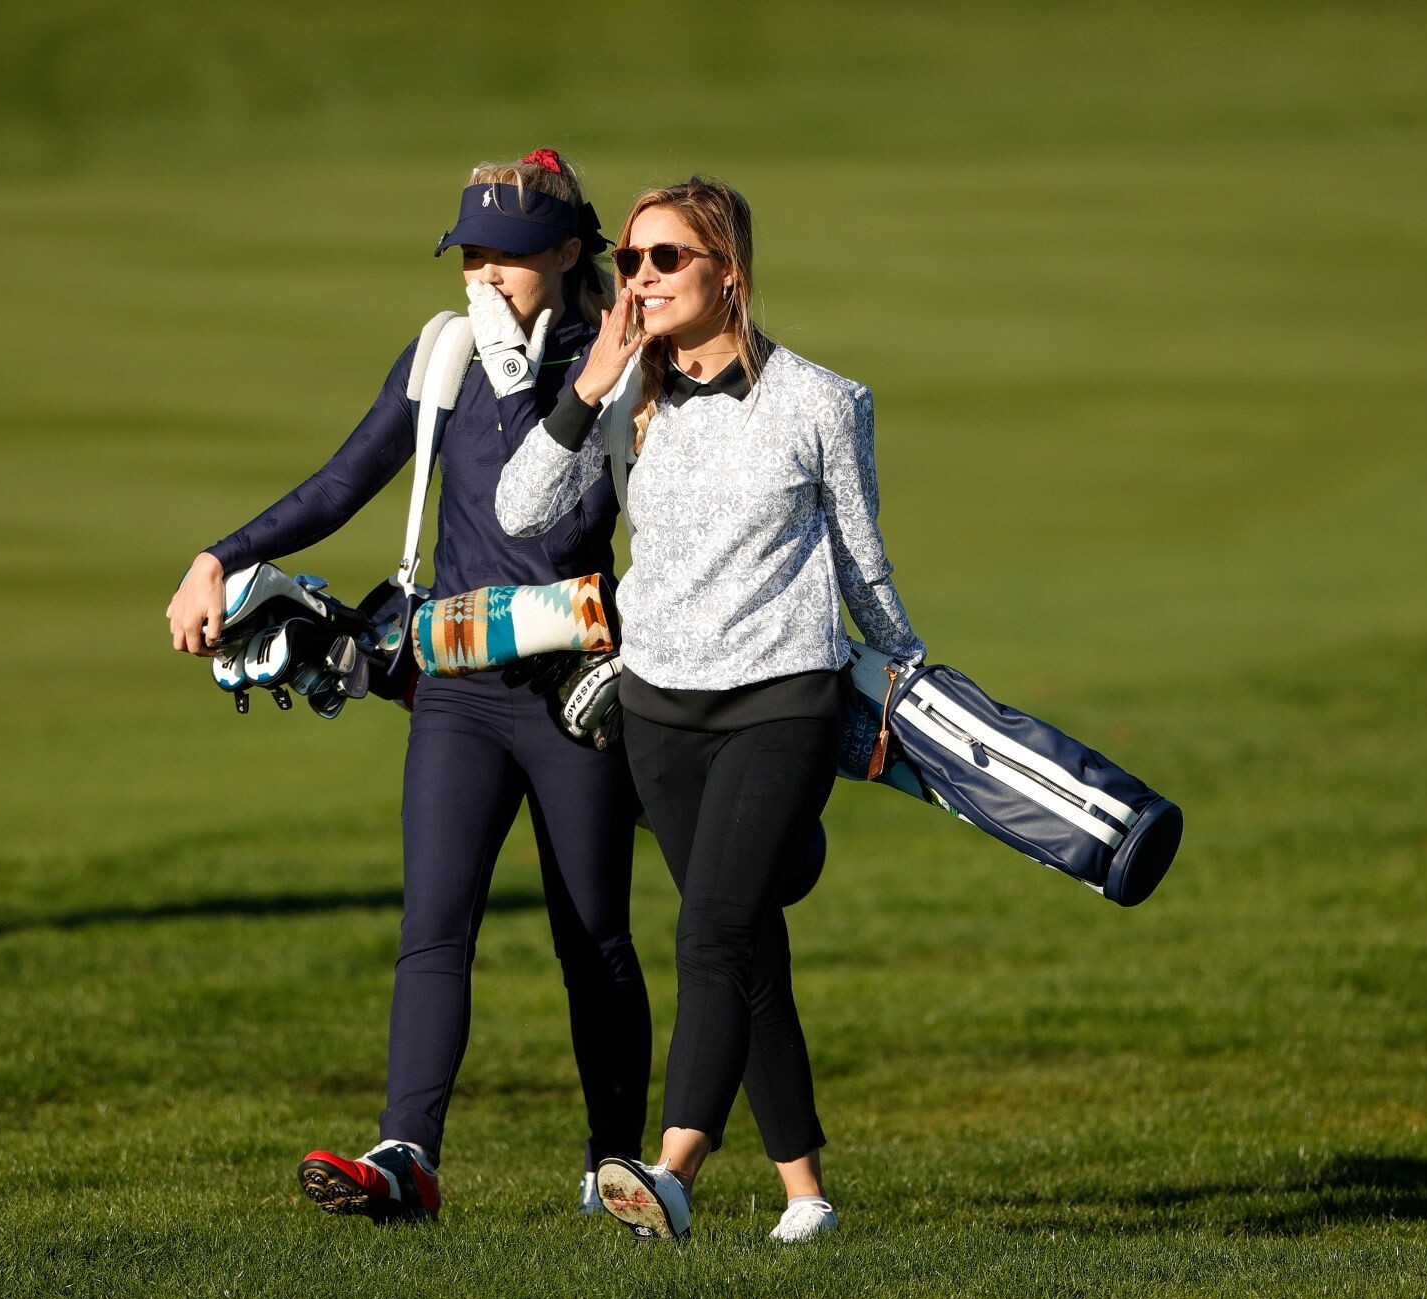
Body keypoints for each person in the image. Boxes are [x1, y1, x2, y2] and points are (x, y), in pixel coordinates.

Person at [165, 150, 649, 1223]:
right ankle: (406, 1158)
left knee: (594, 939)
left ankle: (616, 1167)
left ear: (569, 253)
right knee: (433, 926)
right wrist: (219, 556)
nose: (484, 275)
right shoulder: (443, 354)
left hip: (578, 693)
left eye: (508, 256)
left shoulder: (614, 360)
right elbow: (343, 482)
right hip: (458, 694)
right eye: (471, 254)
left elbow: (634, 515)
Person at [497, 176, 924, 1243]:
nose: (639, 278)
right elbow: (519, 511)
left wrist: (913, 676)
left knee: (710, 932)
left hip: (782, 701)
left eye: (666, 258)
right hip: (659, 713)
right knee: (746, 944)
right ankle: (806, 1194)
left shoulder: (823, 401)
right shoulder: (623, 397)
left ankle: (673, 1168)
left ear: (728, 272)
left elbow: (862, 566)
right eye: (630, 260)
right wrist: (590, 383)